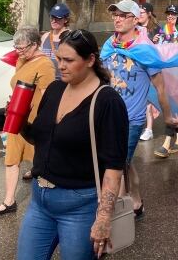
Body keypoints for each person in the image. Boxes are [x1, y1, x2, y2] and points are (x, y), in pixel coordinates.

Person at [16, 29, 128, 259]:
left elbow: (114, 167)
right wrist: (18, 123)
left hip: (80, 207)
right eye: (59, 59)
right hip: (40, 200)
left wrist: (104, 218)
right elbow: (40, 140)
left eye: (69, 60)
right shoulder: (55, 90)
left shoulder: (107, 102)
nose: (61, 66)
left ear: (90, 60)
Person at [103, 0, 174, 219]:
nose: (117, 18)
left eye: (123, 15)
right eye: (115, 14)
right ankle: (136, 202)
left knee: (117, 166)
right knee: (124, 163)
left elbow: (160, 86)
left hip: (131, 120)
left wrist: (169, 116)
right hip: (108, 116)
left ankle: (117, 219)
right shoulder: (109, 45)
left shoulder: (145, 49)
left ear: (135, 20)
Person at [0, 27, 56, 218]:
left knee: (40, 164)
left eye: (22, 47)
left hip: (34, 123)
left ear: (35, 44)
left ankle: (44, 206)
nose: (18, 51)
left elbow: (47, 97)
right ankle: (9, 201)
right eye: (16, 47)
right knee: (11, 159)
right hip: (17, 118)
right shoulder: (22, 59)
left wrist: (46, 125)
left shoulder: (45, 65)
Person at [153, 4, 178, 158]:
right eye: (168, 14)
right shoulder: (160, 33)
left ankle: (167, 141)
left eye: (173, 15)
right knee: (172, 108)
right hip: (165, 76)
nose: (170, 17)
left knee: (174, 108)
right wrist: (153, 42)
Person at [137, 2, 161, 141]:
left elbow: (162, 49)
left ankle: (149, 129)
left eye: (142, 13)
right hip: (137, 68)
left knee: (149, 99)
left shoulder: (157, 29)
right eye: (138, 12)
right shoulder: (135, 29)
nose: (139, 15)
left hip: (151, 68)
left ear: (149, 14)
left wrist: (155, 42)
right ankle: (139, 124)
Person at [40, 2, 71, 80]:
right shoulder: (45, 36)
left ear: (66, 20)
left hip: (62, 81)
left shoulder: (71, 37)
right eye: (52, 17)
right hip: (45, 79)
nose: (53, 21)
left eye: (58, 18)